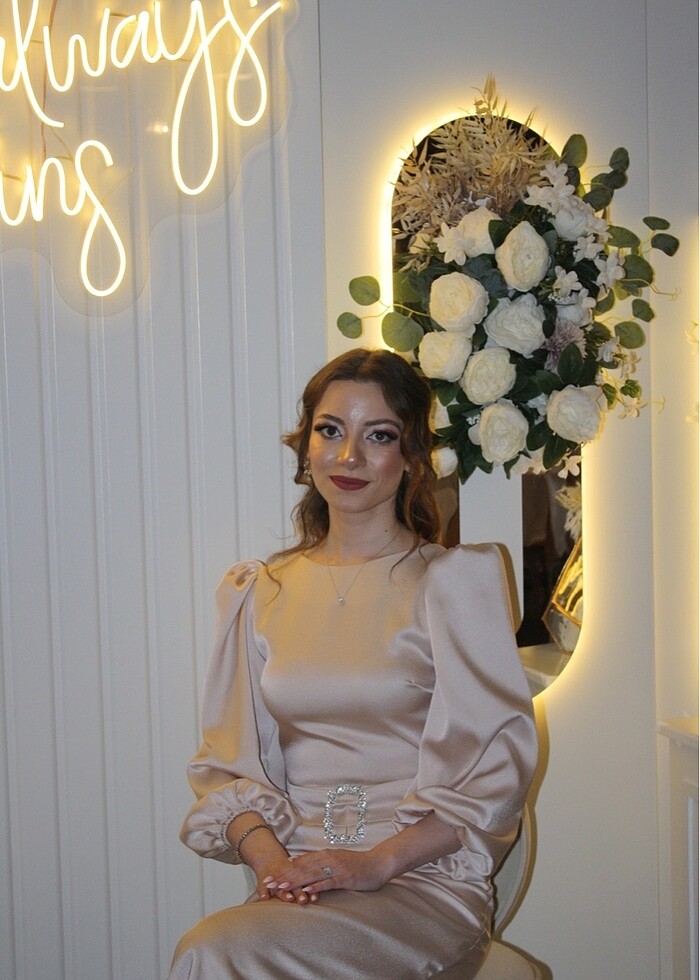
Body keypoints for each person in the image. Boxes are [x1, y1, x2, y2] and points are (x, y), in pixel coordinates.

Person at [168, 348, 538, 979]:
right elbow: (227, 764)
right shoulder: (259, 591)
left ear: (412, 455)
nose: (348, 457)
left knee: (211, 953)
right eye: (330, 430)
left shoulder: (453, 583)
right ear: (305, 446)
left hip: (419, 880)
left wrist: (373, 863)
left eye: (379, 436)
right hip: (299, 878)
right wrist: (270, 865)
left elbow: (492, 776)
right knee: (222, 947)